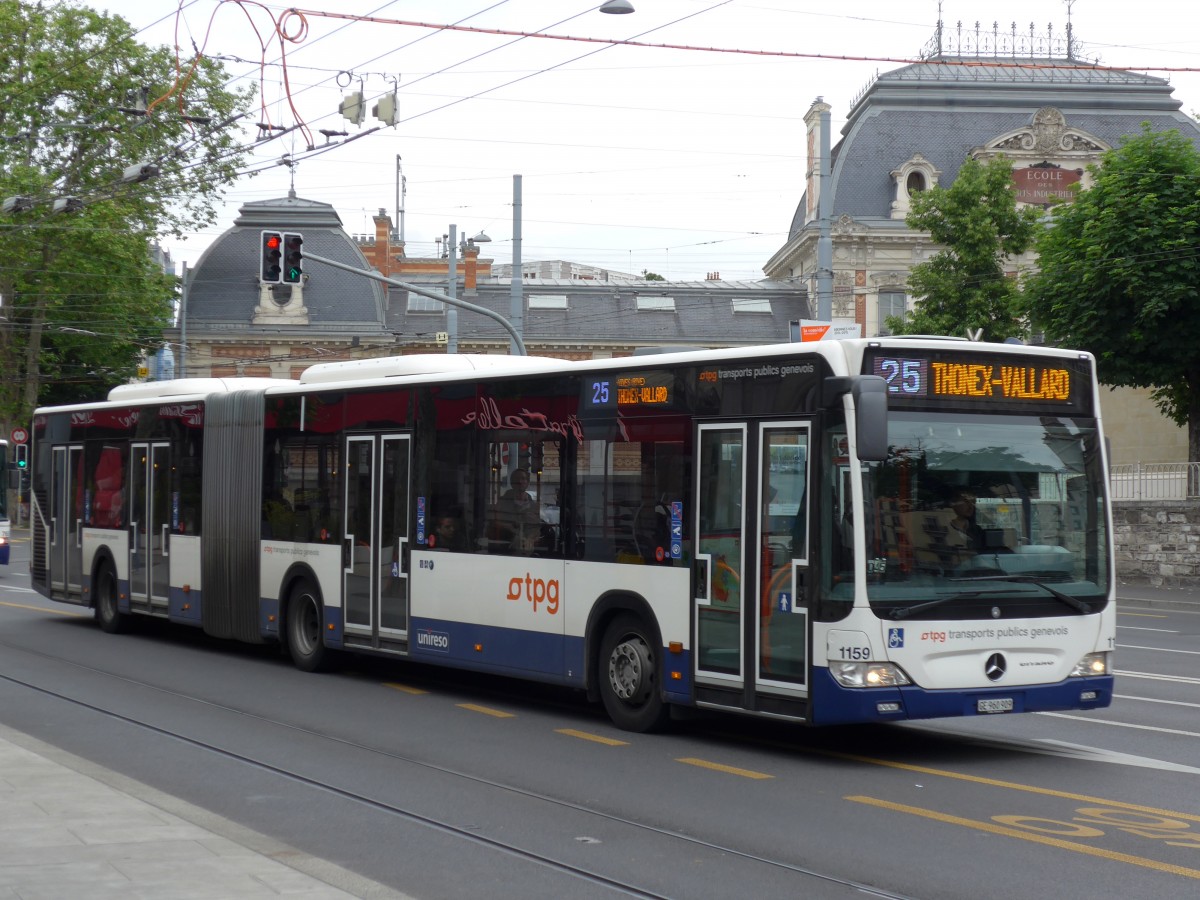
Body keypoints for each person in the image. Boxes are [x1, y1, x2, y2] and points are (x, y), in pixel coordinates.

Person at [493, 469, 544, 553]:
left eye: (523, 479)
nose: (520, 482)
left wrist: (530, 538)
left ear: (527, 482)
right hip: (506, 544)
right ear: (512, 482)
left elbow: (536, 528)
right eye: (517, 479)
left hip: (528, 547)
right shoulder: (503, 502)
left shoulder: (533, 506)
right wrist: (514, 530)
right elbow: (496, 521)